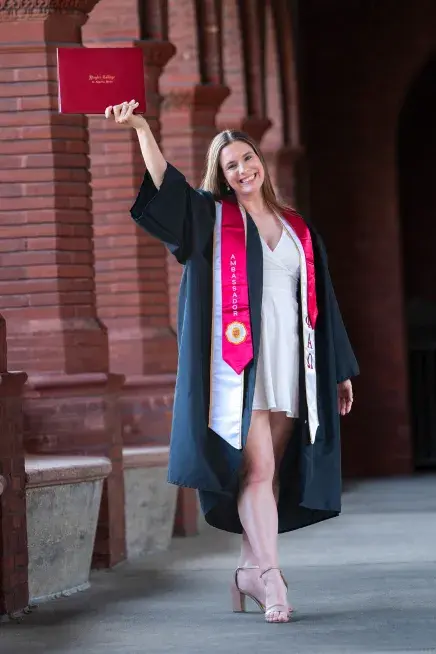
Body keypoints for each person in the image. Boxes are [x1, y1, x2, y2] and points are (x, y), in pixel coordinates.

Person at [105, 99, 359, 624]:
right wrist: (142, 130)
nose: (242, 169)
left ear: (260, 161)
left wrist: (339, 368)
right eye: (230, 166)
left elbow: (320, 300)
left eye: (247, 158)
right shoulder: (213, 220)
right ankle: (270, 577)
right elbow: (167, 187)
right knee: (258, 467)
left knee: (271, 472)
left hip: (293, 365)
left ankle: (248, 568)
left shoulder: (297, 229)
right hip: (237, 369)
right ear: (220, 177)